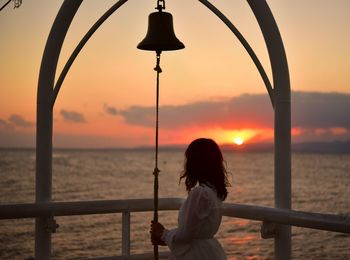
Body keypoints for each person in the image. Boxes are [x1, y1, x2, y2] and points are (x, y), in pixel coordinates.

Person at [150, 138, 229, 259]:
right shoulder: (214, 192)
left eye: (189, 159)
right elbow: (195, 230)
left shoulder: (201, 194)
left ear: (196, 163)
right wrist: (166, 239)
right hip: (209, 251)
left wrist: (163, 234)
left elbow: (186, 234)